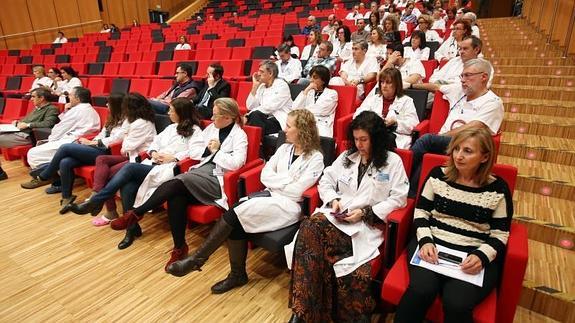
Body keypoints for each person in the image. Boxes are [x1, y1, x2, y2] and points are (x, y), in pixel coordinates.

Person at [167, 109, 325, 294]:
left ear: (303, 130)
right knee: (236, 221)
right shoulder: (283, 149)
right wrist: (286, 181)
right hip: (270, 195)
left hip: (289, 207)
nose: (284, 129)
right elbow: (265, 175)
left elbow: (298, 192)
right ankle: (236, 274)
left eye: (289, 126)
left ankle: (198, 260)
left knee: (233, 214)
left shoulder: (316, 158)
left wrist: (279, 182)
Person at [287, 111, 409, 322]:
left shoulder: (393, 162)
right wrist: (333, 199)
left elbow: (399, 199)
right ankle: (303, 312)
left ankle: (302, 314)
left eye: (364, 139)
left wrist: (365, 213)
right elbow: (325, 181)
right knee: (310, 228)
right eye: (355, 139)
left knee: (309, 236)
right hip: (336, 217)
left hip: (365, 227)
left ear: (377, 139)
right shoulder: (346, 157)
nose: (359, 145)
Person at [107, 98, 248, 271]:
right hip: (200, 171)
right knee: (176, 197)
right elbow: (195, 151)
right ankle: (179, 247)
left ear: (228, 117)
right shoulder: (212, 129)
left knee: (179, 181)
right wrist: (208, 150)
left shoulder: (240, 135)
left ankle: (135, 213)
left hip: (217, 178)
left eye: (216, 115)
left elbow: (236, 164)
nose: (211, 117)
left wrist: (216, 151)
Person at [395, 127, 513, 323]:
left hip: (472, 251)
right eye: (456, 149)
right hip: (432, 242)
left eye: (467, 151)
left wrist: (481, 256)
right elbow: (421, 212)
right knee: (420, 291)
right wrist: (424, 240)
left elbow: (500, 234)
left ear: (484, 157)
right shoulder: (437, 175)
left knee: (457, 303)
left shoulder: (498, 188)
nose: (459, 156)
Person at [71, 99, 203, 238]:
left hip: (170, 168)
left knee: (129, 168)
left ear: (181, 113)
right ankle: (132, 230)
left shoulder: (195, 131)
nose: (168, 112)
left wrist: (174, 157)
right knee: (128, 186)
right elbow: (155, 143)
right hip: (154, 163)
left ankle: (96, 200)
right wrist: (153, 152)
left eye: (171, 110)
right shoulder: (170, 128)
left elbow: (196, 153)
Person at [408, 58, 504, 197]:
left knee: (427, 140)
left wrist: (439, 137)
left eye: (468, 76)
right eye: (462, 76)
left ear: (484, 77)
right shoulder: (460, 90)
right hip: (445, 143)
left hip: (467, 145)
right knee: (424, 161)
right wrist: (410, 86)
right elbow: (435, 87)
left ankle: (401, 172)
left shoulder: (493, 102)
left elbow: (472, 129)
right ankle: (411, 195)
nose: (463, 80)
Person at [23, 93, 125, 211]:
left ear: (117, 105)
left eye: (109, 103)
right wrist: (90, 142)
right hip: (96, 147)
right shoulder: (112, 117)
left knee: (65, 148)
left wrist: (92, 143)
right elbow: (102, 134)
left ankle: (44, 176)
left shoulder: (126, 121)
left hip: (108, 152)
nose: (106, 104)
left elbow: (116, 139)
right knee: (65, 162)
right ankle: (66, 197)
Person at [69, 93, 157, 219]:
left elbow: (126, 147)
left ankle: (106, 208)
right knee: (101, 159)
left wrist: (126, 137)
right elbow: (124, 147)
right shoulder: (132, 120)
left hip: (139, 159)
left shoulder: (141, 123)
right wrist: (126, 137)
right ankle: (96, 197)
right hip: (131, 156)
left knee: (106, 175)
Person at [22, 87, 100, 174]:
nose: (69, 97)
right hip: (78, 140)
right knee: (40, 149)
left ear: (77, 98)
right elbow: (65, 123)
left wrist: (52, 139)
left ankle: (49, 172)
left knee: (33, 153)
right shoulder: (87, 108)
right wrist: (67, 111)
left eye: (70, 95)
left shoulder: (78, 110)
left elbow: (61, 127)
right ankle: (50, 168)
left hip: (73, 141)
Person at [0, 88, 59, 180]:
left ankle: (0, 174)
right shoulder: (37, 109)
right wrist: (17, 122)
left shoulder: (51, 109)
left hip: (28, 136)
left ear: (42, 98)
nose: (31, 99)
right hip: (18, 132)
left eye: (33, 96)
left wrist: (27, 124)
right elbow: (26, 120)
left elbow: (48, 124)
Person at [354, 68, 419, 149]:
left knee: (383, 139)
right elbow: (357, 115)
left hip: (395, 136)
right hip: (372, 132)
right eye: (382, 82)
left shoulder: (406, 101)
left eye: (388, 82)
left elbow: (413, 124)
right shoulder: (373, 99)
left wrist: (395, 122)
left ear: (396, 84)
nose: (384, 86)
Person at [245, 60, 293, 135]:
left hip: (279, 120)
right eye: (258, 71)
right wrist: (255, 86)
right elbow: (250, 106)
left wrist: (248, 116)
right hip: (265, 118)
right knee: (254, 116)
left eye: (261, 72)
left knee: (255, 115)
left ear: (270, 73)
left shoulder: (282, 85)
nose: (258, 74)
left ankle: (257, 142)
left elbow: (271, 106)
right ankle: (258, 142)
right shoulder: (261, 86)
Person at [293, 65, 339, 137]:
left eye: (315, 77)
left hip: (321, 125)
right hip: (304, 123)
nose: (311, 80)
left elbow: (321, 111)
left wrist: (303, 111)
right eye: (311, 77)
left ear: (323, 80)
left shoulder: (332, 93)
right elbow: (295, 108)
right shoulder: (308, 92)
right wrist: (306, 91)